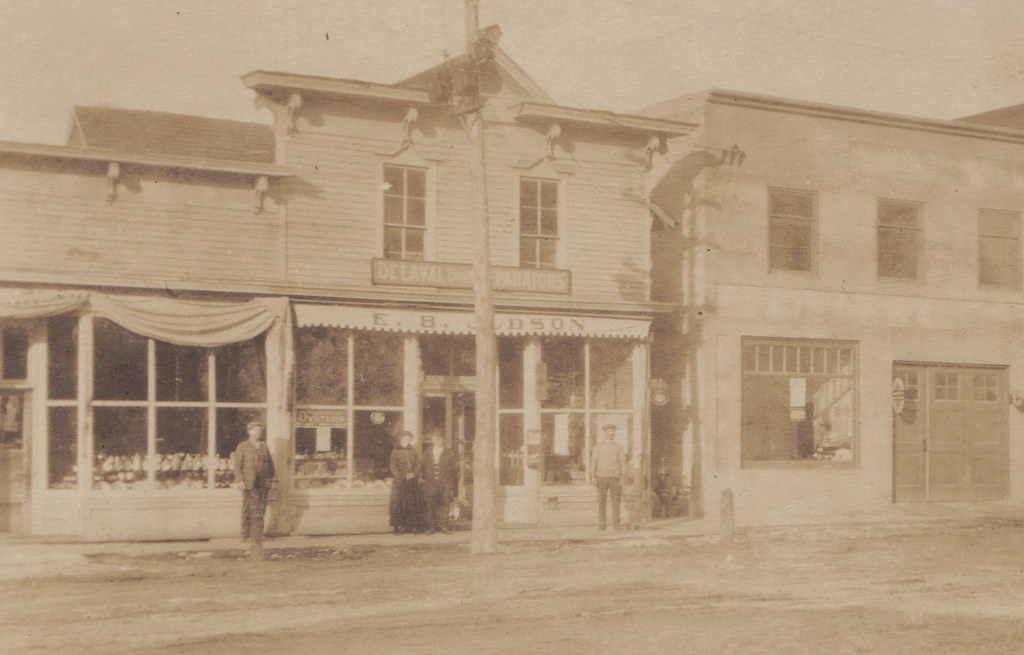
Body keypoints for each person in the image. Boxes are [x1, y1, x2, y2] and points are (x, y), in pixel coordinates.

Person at [233, 420, 276, 553]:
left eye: (259, 430)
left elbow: (270, 464)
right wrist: (240, 480)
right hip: (249, 482)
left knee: (261, 508)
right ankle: (245, 535)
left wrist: (271, 479)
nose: (258, 433)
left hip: (263, 482)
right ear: (249, 432)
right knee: (249, 508)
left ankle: (258, 535)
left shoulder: (263, 446)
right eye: (255, 430)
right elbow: (237, 466)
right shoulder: (242, 446)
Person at [591, 423, 626, 530]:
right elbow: (594, 461)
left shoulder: (618, 447)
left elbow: (623, 462)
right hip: (601, 477)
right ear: (605, 432)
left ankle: (616, 524)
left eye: (613, 431)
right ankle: (602, 524)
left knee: (616, 502)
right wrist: (593, 476)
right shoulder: (598, 446)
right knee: (602, 502)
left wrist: (623, 477)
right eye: (609, 431)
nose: (611, 433)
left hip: (615, 477)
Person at [421, 432, 458, 533]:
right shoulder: (427, 453)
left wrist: (453, 483)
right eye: (434, 439)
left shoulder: (450, 453)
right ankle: (431, 526)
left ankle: (443, 526)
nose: (436, 441)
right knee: (430, 504)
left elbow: (455, 469)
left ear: (443, 440)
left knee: (445, 503)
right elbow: (423, 467)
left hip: (446, 482)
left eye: (439, 439)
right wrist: (426, 480)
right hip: (431, 483)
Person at [389, 431, 423, 534]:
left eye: (409, 439)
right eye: (405, 439)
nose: (407, 441)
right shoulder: (395, 452)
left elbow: (418, 464)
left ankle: (412, 526)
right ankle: (397, 527)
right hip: (400, 483)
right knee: (398, 504)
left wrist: (414, 474)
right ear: (401, 439)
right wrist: (404, 476)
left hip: (411, 481)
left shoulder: (413, 451)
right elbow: (393, 468)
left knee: (412, 504)